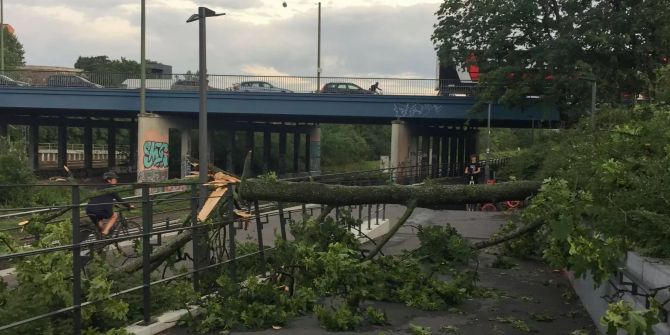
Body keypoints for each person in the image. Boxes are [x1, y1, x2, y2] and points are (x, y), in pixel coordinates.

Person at [85, 171, 134, 236]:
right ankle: (105, 232)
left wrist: (113, 203)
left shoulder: (99, 187)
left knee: (100, 224)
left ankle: (100, 240)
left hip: (89, 209)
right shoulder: (112, 188)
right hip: (100, 209)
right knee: (114, 215)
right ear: (109, 180)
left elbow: (100, 198)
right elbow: (119, 199)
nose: (116, 181)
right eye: (114, 179)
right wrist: (129, 205)